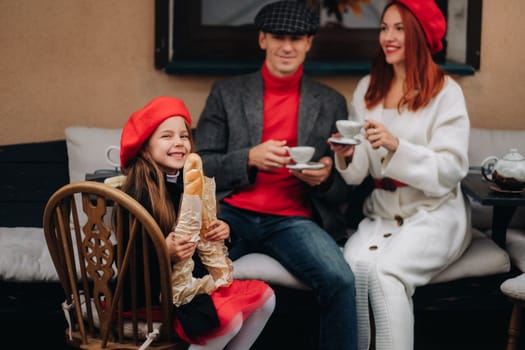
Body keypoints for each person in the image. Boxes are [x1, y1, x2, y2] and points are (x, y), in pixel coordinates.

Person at [195, 1, 358, 349]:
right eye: (279, 37)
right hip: (231, 213)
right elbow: (200, 164)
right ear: (262, 39)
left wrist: (325, 178)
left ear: (309, 43)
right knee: (189, 272)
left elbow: (342, 190)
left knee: (341, 280)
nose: (287, 46)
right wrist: (248, 158)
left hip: (292, 220)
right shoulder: (227, 93)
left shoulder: (330, 102)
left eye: (297, 38)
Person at [329, 1, 471, 349]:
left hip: (434, 212)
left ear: (420, 35)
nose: (387, 38)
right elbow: (357, 173)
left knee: (385, 273)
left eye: (399, 29)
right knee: (354, 270)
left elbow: (451, 170)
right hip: (381, 212)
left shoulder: (446, 93)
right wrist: (347, 156)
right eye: (384, 28)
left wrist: (397, 147)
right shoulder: (368, 88)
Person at [118, 96, 276, 350]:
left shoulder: (190, 183)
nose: (179, 143)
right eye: (166, 136)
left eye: (184, 136)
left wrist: (223, 231)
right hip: (153, 292)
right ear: (145, 147)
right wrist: (163, 251)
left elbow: (205, 236)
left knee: (266, 301)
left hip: (195, 282)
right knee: (227, 321)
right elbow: (126, 258)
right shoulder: (137, 194)